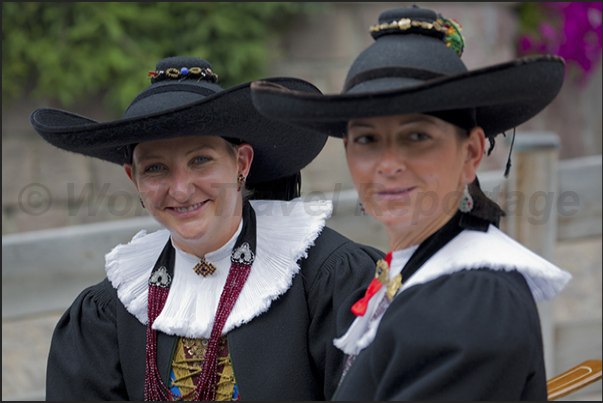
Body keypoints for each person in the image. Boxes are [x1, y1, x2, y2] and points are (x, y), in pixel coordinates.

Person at [250, 5, 573, 400]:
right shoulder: (421, 274)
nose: (388, 165)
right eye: (367, 140)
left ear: (471, 153)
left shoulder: (472, 300)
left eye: (417, 137)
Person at [30, 56, 384, 400]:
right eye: (155, 168)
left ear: (241, 162)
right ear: (133, 179)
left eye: (200, 160)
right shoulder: (109, 312)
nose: (180, 189)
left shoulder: (329, 279)